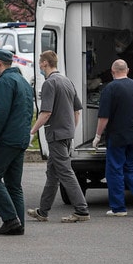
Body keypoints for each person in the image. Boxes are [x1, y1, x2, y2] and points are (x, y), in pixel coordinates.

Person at [27, 50, 90, 223]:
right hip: (66, 133)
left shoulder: (50, 84)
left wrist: (31, 132)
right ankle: (43, 211)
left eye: (40, 63)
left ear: (45, 63)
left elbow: (46, 113)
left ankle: (81, 210)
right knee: (53, 173)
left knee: (65, 172)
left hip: (55, 134)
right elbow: (77, 110)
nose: (39, 66)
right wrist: (70, 129)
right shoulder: (66, 80)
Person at [0, 48, 34, 236]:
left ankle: (10, 219)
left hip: (7, 139)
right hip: (21, 138)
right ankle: (18, 223)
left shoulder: (5, 82)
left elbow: (0, 113)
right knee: (14, 184)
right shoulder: (22, 81)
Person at [93, 58, 133, 217]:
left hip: (117, 136)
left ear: (113, 72)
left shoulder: (110, 89)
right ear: (127, 70)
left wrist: (97, 136)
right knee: (131, 167)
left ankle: (118, 208)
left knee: (114, 170)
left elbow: (104, 117)